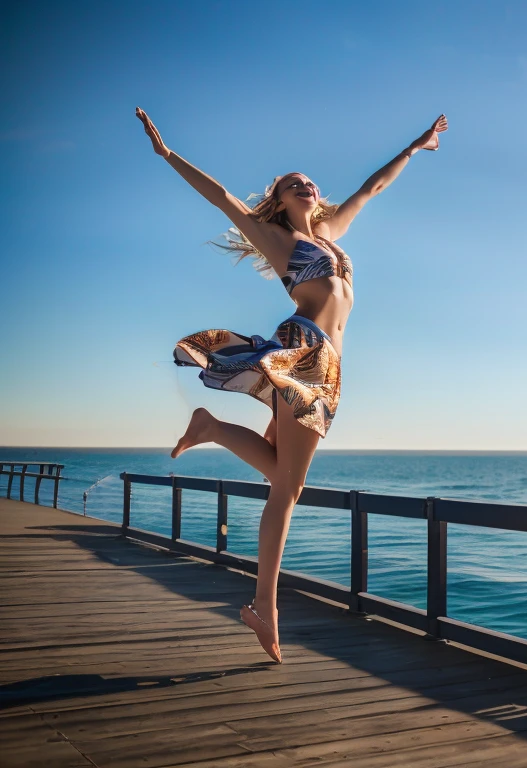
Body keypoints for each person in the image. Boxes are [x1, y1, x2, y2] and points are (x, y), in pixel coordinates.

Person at [136, 107, 447, 663]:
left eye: (308, 181)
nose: (305, 185)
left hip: (329, 366)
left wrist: (416, 147)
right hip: (304, 354)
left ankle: (212, 427)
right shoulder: (278, 241)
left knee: (284, 476)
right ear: (278, 201)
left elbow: (371, 188)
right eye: (290, 184)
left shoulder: (329, 232)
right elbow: (222, 197)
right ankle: (264, 607)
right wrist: (168, 155)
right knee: (287, 490)